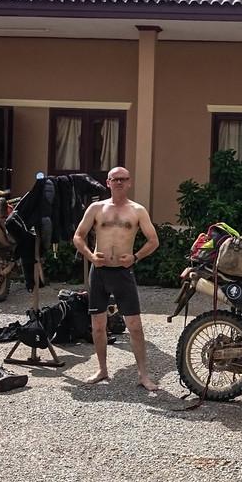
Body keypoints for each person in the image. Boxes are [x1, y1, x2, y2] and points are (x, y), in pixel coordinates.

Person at [72, 166, 160, 390]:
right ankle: (102, 369)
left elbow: (153, 241)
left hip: (122, 272)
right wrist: (91, 256)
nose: (119, 182)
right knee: (98, 325)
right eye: (115, 179)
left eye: (123, 179)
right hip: (99, 273)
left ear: (129, 182)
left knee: (135, 326)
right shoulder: (96, 208)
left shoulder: (137, 210)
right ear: (108, 182)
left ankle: (143, 375)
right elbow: (78, 236)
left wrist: (135, 257)